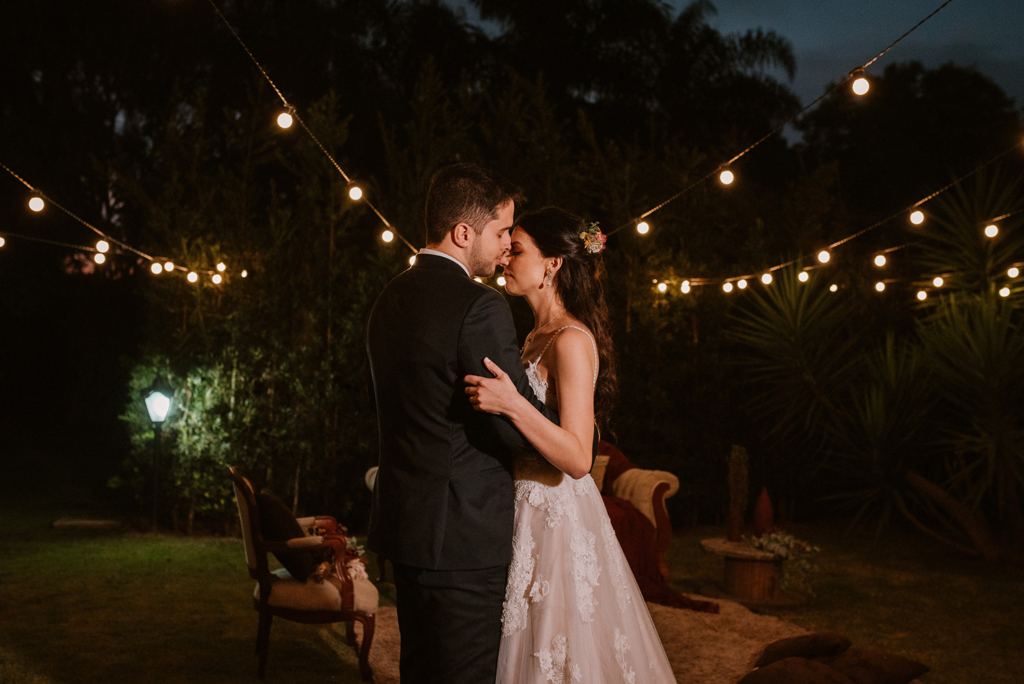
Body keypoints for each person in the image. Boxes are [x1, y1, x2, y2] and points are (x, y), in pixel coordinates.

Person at [365, 163, 562, 684]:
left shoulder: (388, 299)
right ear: (463, 233)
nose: (505, 248)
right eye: (501, 234)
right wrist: (558, 433)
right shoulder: (479, 306)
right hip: (464, 540)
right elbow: (505, 423)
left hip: (405, 528)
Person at [465, 207, 677, 683]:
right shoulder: (534, 336)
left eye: (517, 250)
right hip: (523, 508)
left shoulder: (571, 340)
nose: (505, 258)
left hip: (556, 517)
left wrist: (511, 403)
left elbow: (580, 458)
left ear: (552, 264)